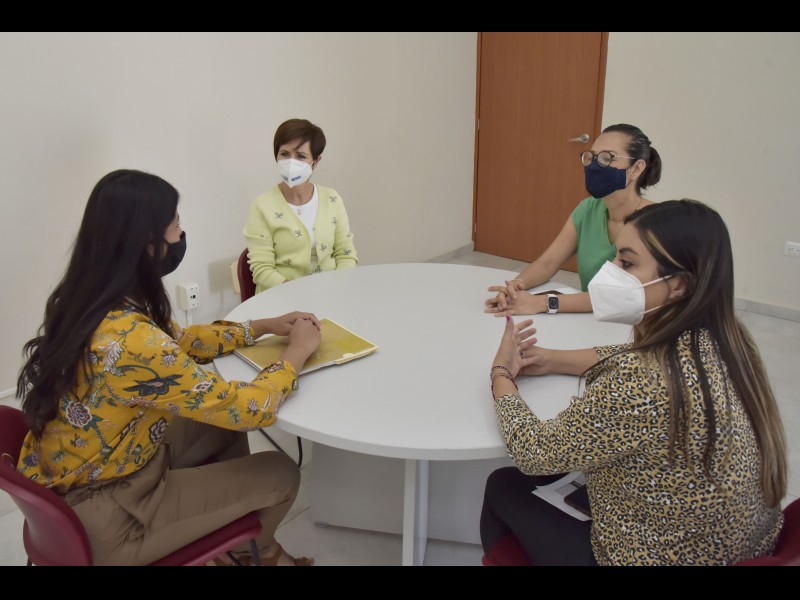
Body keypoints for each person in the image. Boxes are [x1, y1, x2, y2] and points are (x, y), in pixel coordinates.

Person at [15, 169, 322, 566]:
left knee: (219, 426)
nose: (181, 233)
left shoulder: (87, 298)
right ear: (147, 244)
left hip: (87, 471)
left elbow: (180, 342)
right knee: (281, 474)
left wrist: (259, 327)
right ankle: (258, 555)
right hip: (111, 518)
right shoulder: (133, 341)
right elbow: (249, 410)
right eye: (175, 224)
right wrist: (295, 353)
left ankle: (230, 535)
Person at [482, 199, 787, 565]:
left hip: (658, 556)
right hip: (737, 544)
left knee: (503, 484)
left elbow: (534, 452)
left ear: (679, 285)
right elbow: (631, 352)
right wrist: (551, 359)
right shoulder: (730, 341)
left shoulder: (643, 381)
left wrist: (501, 375)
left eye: (626, 263)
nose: (609, 272)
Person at [485, 123, 662, 317]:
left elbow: (615, 295)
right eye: (591, 157)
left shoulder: (655, 222)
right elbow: (547, 263)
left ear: (636, 168)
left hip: (634, 324)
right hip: (590, 318)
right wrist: (516, 287)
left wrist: (543, 302)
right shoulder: (587, 209)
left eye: (607, 158)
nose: (594, 166)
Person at [243, 118, 358, 293]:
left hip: (330, 294)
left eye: (301, 156)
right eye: (284, 154)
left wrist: (336, 289)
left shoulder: (332, 199)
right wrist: (299, 294)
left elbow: (346, 254)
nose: (291, 162)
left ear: (316, 162)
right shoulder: (262, 206)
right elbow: (262, 269)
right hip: (282, 298)